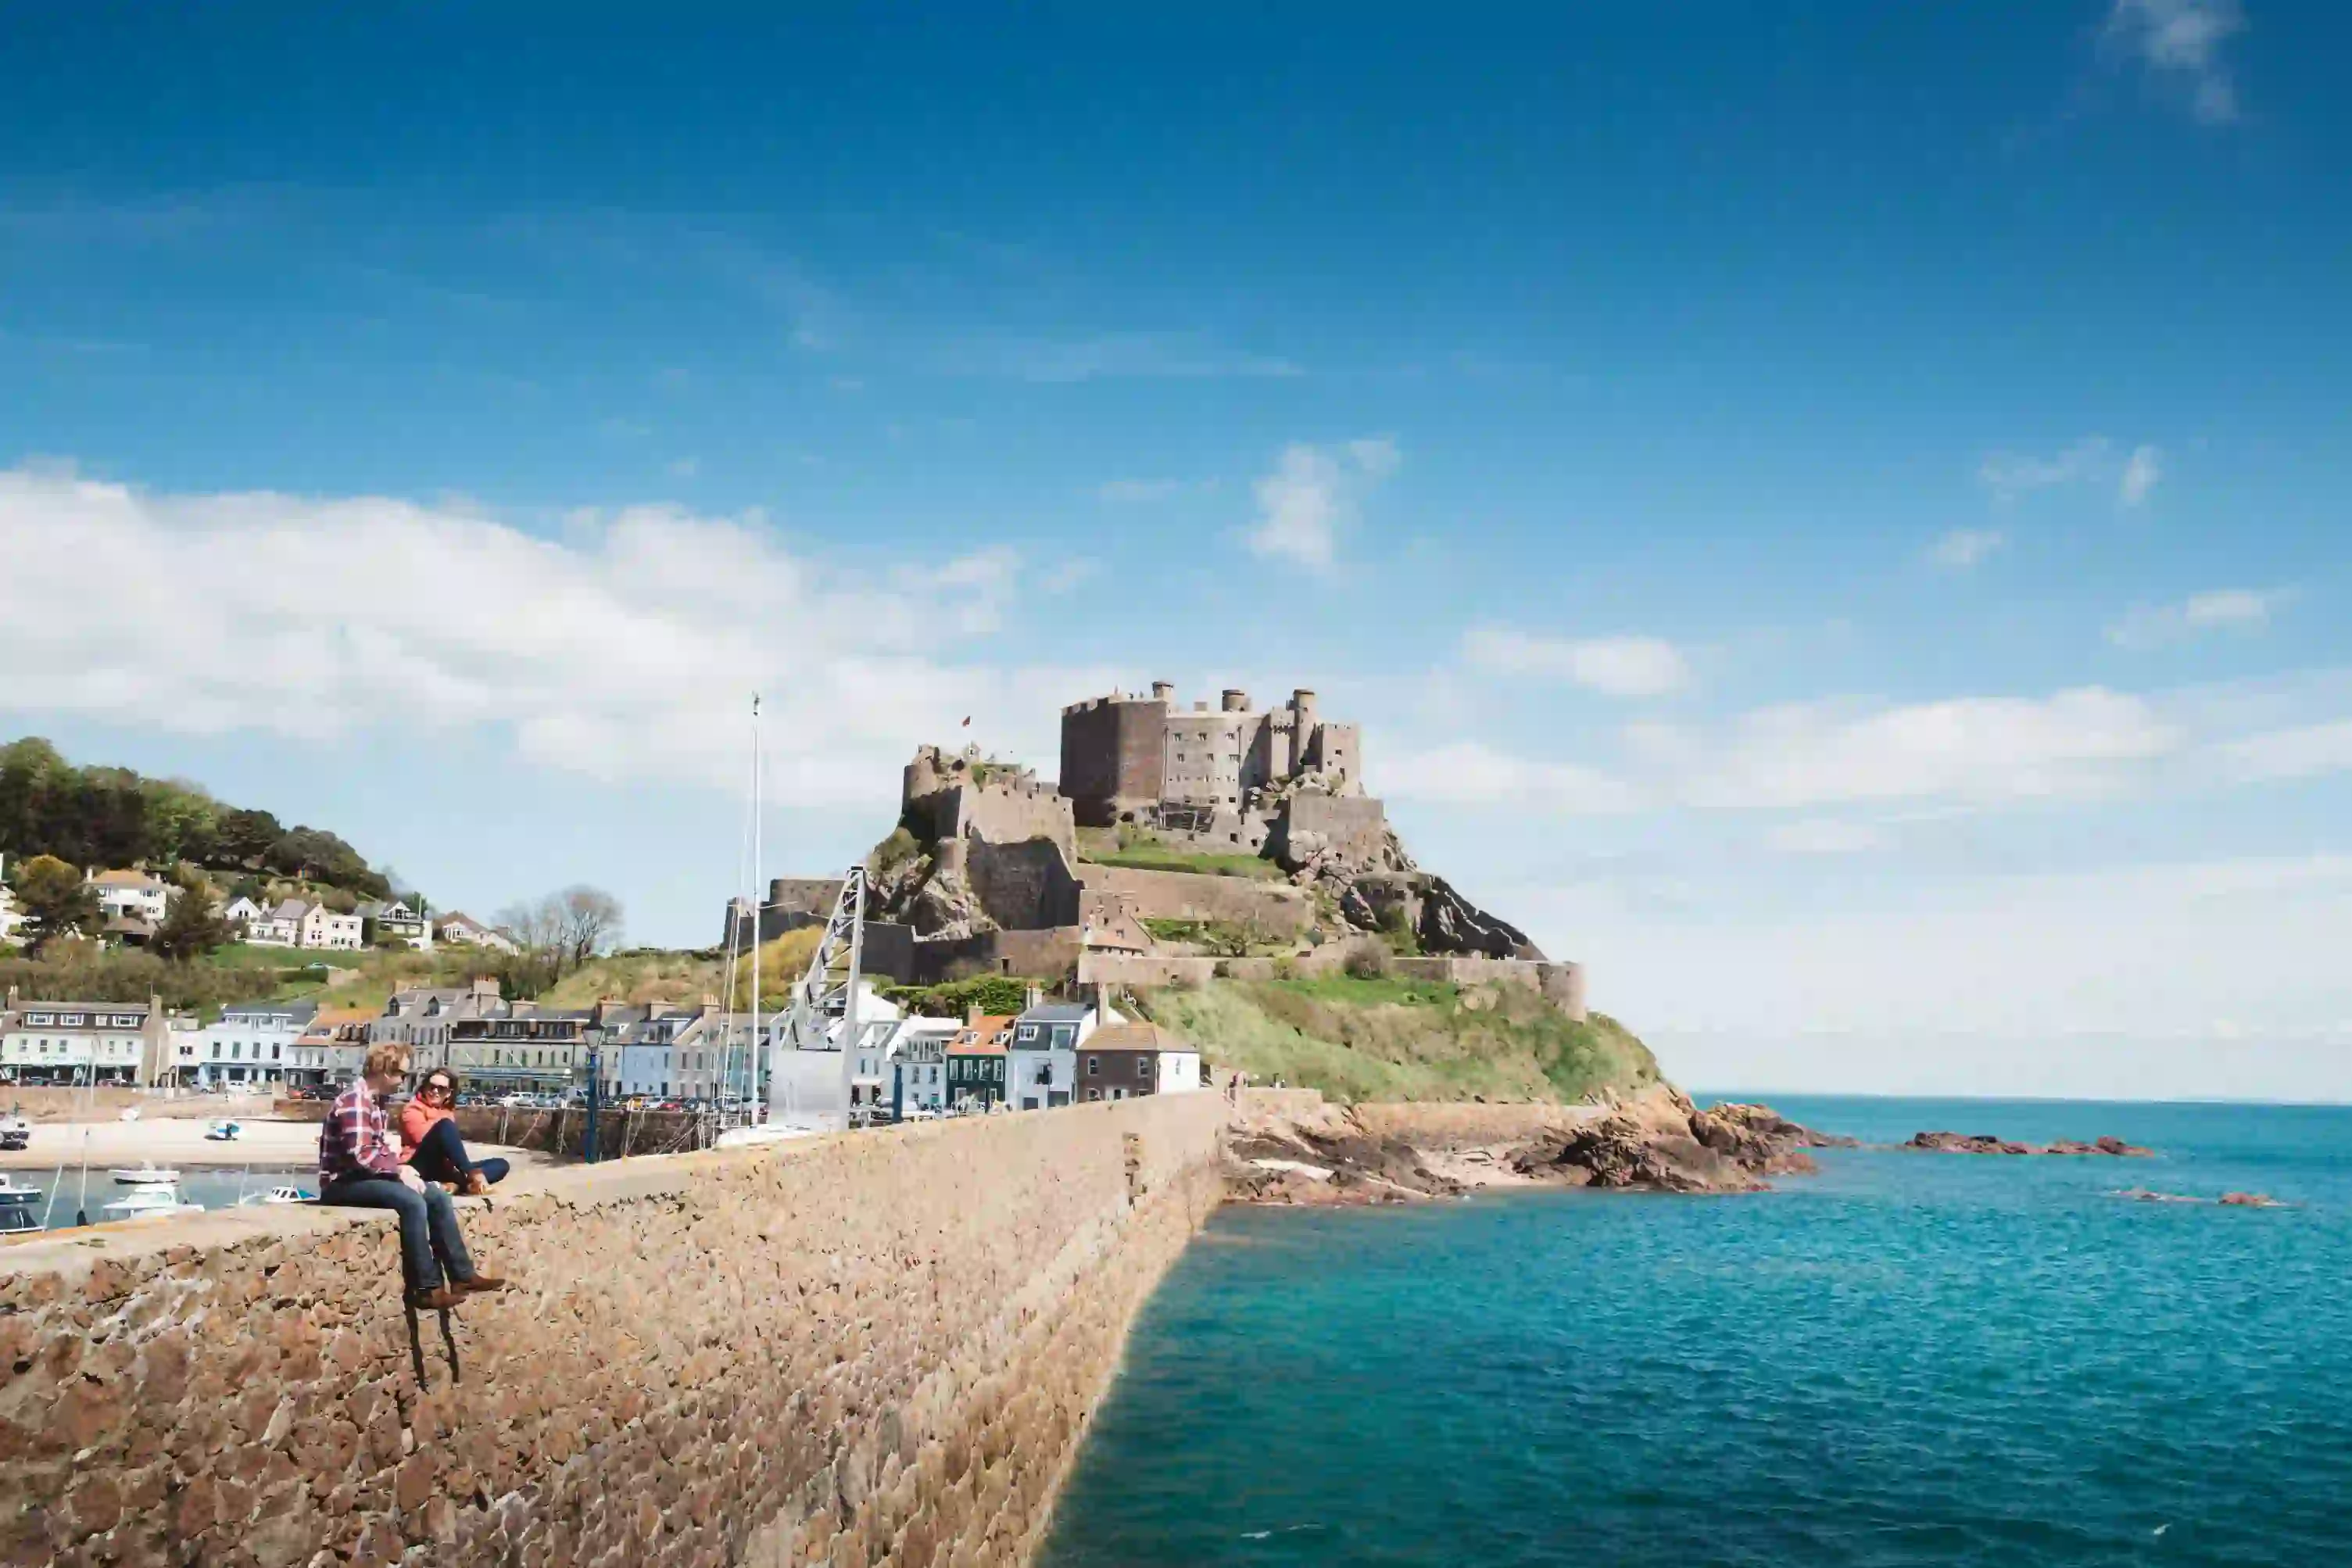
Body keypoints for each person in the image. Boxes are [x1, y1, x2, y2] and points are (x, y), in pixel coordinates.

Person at [318, 1044, 510, 1312]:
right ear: (385, 1071)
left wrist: (401, 1169)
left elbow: (378, 1150)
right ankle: (427, 1288)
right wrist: (399, 1171)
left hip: (364, 1177)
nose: (404, 1082)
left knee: (436, 1195)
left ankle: (462, 1276)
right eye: (402, 1075)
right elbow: (361, 1154)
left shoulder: (376, 1103)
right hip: (342, 1184)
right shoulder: (355, 1101)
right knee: (411, 1202)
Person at [401, 1070, 508, 1195]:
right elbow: (423, 1138)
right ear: (424, 1087)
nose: (435, 1091)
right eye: (431, 1086)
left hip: (444, 1169)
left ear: (448, 1093)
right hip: (419, 1165)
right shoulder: (412, 1109)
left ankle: (457, 1184)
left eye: (441, 1089)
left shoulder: (447, 1112)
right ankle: (469, 1178)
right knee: (445, 1126)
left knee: (501, 1164)